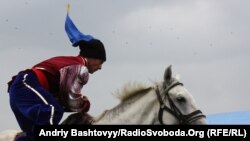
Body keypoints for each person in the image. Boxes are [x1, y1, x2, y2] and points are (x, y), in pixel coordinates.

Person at [7, 5, 106, 141]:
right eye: (101, 62)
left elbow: (64, 101)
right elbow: (70, 101)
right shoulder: (79, 68)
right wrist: (84, 104)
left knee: (34, 135)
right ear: (93, 57)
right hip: (26, 85)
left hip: (20, 91)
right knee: (54, 112)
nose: (100, 67)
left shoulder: (71, 63)